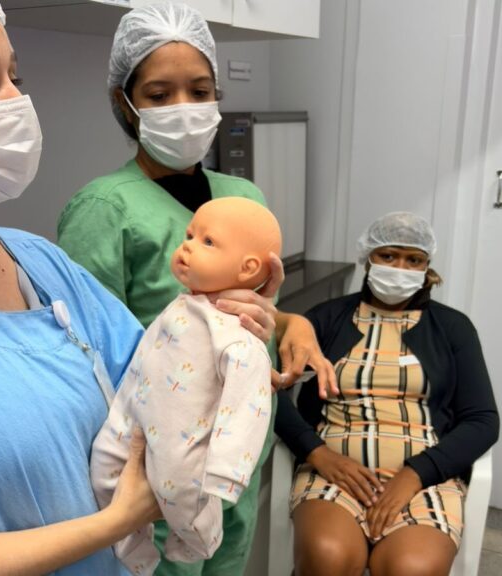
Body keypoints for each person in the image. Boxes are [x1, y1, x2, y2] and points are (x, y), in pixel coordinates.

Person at [0, 2, 275, 574]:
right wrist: (116, 522)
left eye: (14, 79)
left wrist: (221, 325)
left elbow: (157, 384)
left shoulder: (40, 264)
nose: (15, 103)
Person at [57, 3, 337, 574]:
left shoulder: (242, 200)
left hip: (237, 452)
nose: (184, 108)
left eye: (199, 89)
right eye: (160, 95)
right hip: (157, 462)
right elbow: (82, 355)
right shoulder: (104, 209)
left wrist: (291, 325)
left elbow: (246, 316)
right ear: (125, 104)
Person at [275, 212, 500, 576]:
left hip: (426, 478)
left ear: (427, 266)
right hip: (334, 470)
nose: (400, 267)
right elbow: (270, 387)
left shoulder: (454, 328)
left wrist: (414, 475)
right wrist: (316, 453)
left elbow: (483, 420)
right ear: (369, 258)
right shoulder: (325, 319)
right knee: (327, 556)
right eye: (388, 256)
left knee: (412, 568)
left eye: (414, 260)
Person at [91, 197, 281, 575]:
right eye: (189, 235)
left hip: (183, 441)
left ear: (247, 269)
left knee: (182, 498)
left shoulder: (237, 337)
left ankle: (196, 540)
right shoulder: (181, 305)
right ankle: (135, 553)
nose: (188, 245)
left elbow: (248, 405)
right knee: (102, 470)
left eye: (208, 242)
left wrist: (228, 470)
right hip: (134, 414)